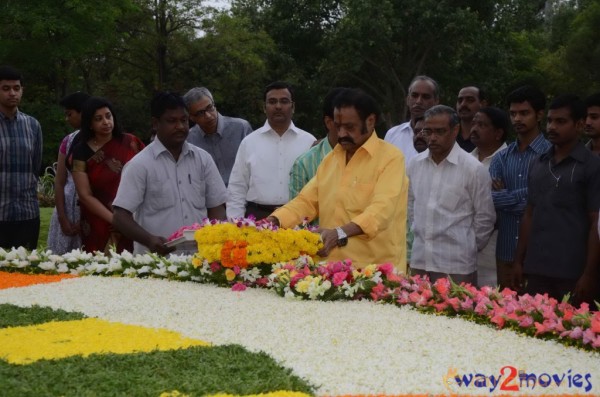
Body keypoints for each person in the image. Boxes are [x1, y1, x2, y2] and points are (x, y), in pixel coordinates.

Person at [267, 88, 408, 271]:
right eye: (338, 126)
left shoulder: (391, 158)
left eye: (349, 127)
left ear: (370, 121)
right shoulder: (331, 160)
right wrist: (272, 222)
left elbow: (382, 210)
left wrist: (340, 233)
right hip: (331, 271)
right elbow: (305, 202)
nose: (341, 134)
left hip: (375, 273)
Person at [113, 92, 227, 255]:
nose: (180, 126)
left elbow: (217, 206)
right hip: (157, 263)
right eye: (172, 121)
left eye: (184, 120)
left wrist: (213, 236)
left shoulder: (203, 159)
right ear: (155, 123)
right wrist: (149, 240)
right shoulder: (139, 164)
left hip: (200, 259)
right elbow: (120, 216)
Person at [513, 95, 600, 304]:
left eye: (561, 122)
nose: (552, 126)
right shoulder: (538, 163)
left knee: (570, 333)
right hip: (536, 268)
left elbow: (595, 224)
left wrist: (589, 274)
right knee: (530, 330)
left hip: (572, 271)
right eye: (550, 120)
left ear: (579, 124)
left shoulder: (592, 166)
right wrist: (518, 261)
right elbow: (529, 214)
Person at [408, 105, 495, 285]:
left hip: (456, 265)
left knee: (456, 312)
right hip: (420, 260)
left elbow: (485, 218)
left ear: (455, 130)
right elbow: (410, 207)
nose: (432, 138)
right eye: (427, 131)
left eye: (439, 131)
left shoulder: (473, 169)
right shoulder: (414, 164)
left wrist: (466, 247)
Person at [489, 85, 551, 290]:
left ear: (539, 114)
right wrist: (526, 196)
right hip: (505, 251)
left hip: (540, 254)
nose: (517, 119)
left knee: (539, 318)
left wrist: (506, 195)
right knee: (502, 316)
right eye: (513, 113)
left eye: (524, 113)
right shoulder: (501, 157)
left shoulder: (552, 156)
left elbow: (542, 201)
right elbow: (490, 200)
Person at [227, 81, 315, 219]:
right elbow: (237, 188)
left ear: (293, 107)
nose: (278, 106)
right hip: (257, 218)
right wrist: (236, 224)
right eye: (272, 102)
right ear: (264, 107)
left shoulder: (309, 142)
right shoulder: (249, 142)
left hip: (297, 218)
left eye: (284, 101)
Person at [68, 97, 144, 253]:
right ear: (89, 123)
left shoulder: (131, 142)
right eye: (98, 119)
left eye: (108, 116)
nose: (106, 122)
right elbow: (85, 195)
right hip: (98, 221)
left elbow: (148, 175)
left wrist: (127, 221)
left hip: (133, 216)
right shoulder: (81, 151)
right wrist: (116, 220)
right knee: (99, 269)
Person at [0, 66, 43, 250]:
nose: (12, 93)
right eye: (6, 88)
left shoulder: (33, 125)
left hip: (27, 214)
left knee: (26, 273)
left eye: (16, 88)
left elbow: (36, 166)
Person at [469, 107, 509, 287]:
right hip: (463, 247)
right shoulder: (466, 160)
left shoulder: (509, 160)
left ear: (498, 133)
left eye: (482, 125)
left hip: (496, 250)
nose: (474, 129)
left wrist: (499, 196)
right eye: (474, 123)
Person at [47, 91, 90, 254]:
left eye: (69, 114)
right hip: (67, 206)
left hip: (90, 208)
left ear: (83, 112)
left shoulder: (101, 139)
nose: (67, 119)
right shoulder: (68, 140)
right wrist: (62, 217)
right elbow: (59, 181)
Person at [183, 87, 253, 186]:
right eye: (200, 113)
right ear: (191, 117)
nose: (208, 116)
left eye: (209, 107)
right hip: (210, 198)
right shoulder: (189, 140)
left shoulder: (241, 128)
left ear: (214, 104)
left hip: (245, 193)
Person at [289, 87, 345, 199]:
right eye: (344, 124)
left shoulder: (372, 157)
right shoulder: (304, 164)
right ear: (329, 122)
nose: (352, 130)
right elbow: (298, 212)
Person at [384, 75, 439, 164]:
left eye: (425, 97)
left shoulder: (442, 136)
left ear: (436, 101)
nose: (418, 101)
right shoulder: (392, 134)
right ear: (407, 99)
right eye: (414, 95)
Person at [456, 85, 488, 152]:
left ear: (483, 104)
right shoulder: (449, 134)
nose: (463, 104)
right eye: (460, 100)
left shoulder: (489, 136)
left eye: (470, 100)